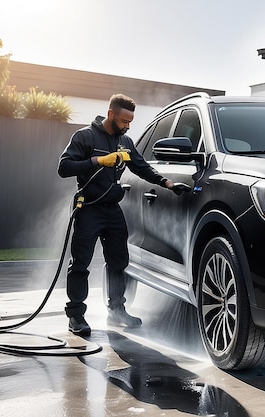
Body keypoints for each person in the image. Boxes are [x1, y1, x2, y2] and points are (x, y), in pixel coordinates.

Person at [58, 94, 174, 336]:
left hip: (113, 211)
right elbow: (64, 167)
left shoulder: (126, 142)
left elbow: (141, 167)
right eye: (124, 121)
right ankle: (76, 316)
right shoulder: (84, 136)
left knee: (119, 262)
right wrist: (99, 160)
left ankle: (117, 310)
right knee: (80, 264)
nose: (127, 126)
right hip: (89, 209)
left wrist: (166, 182)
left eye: (130, 122)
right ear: (111, 114)